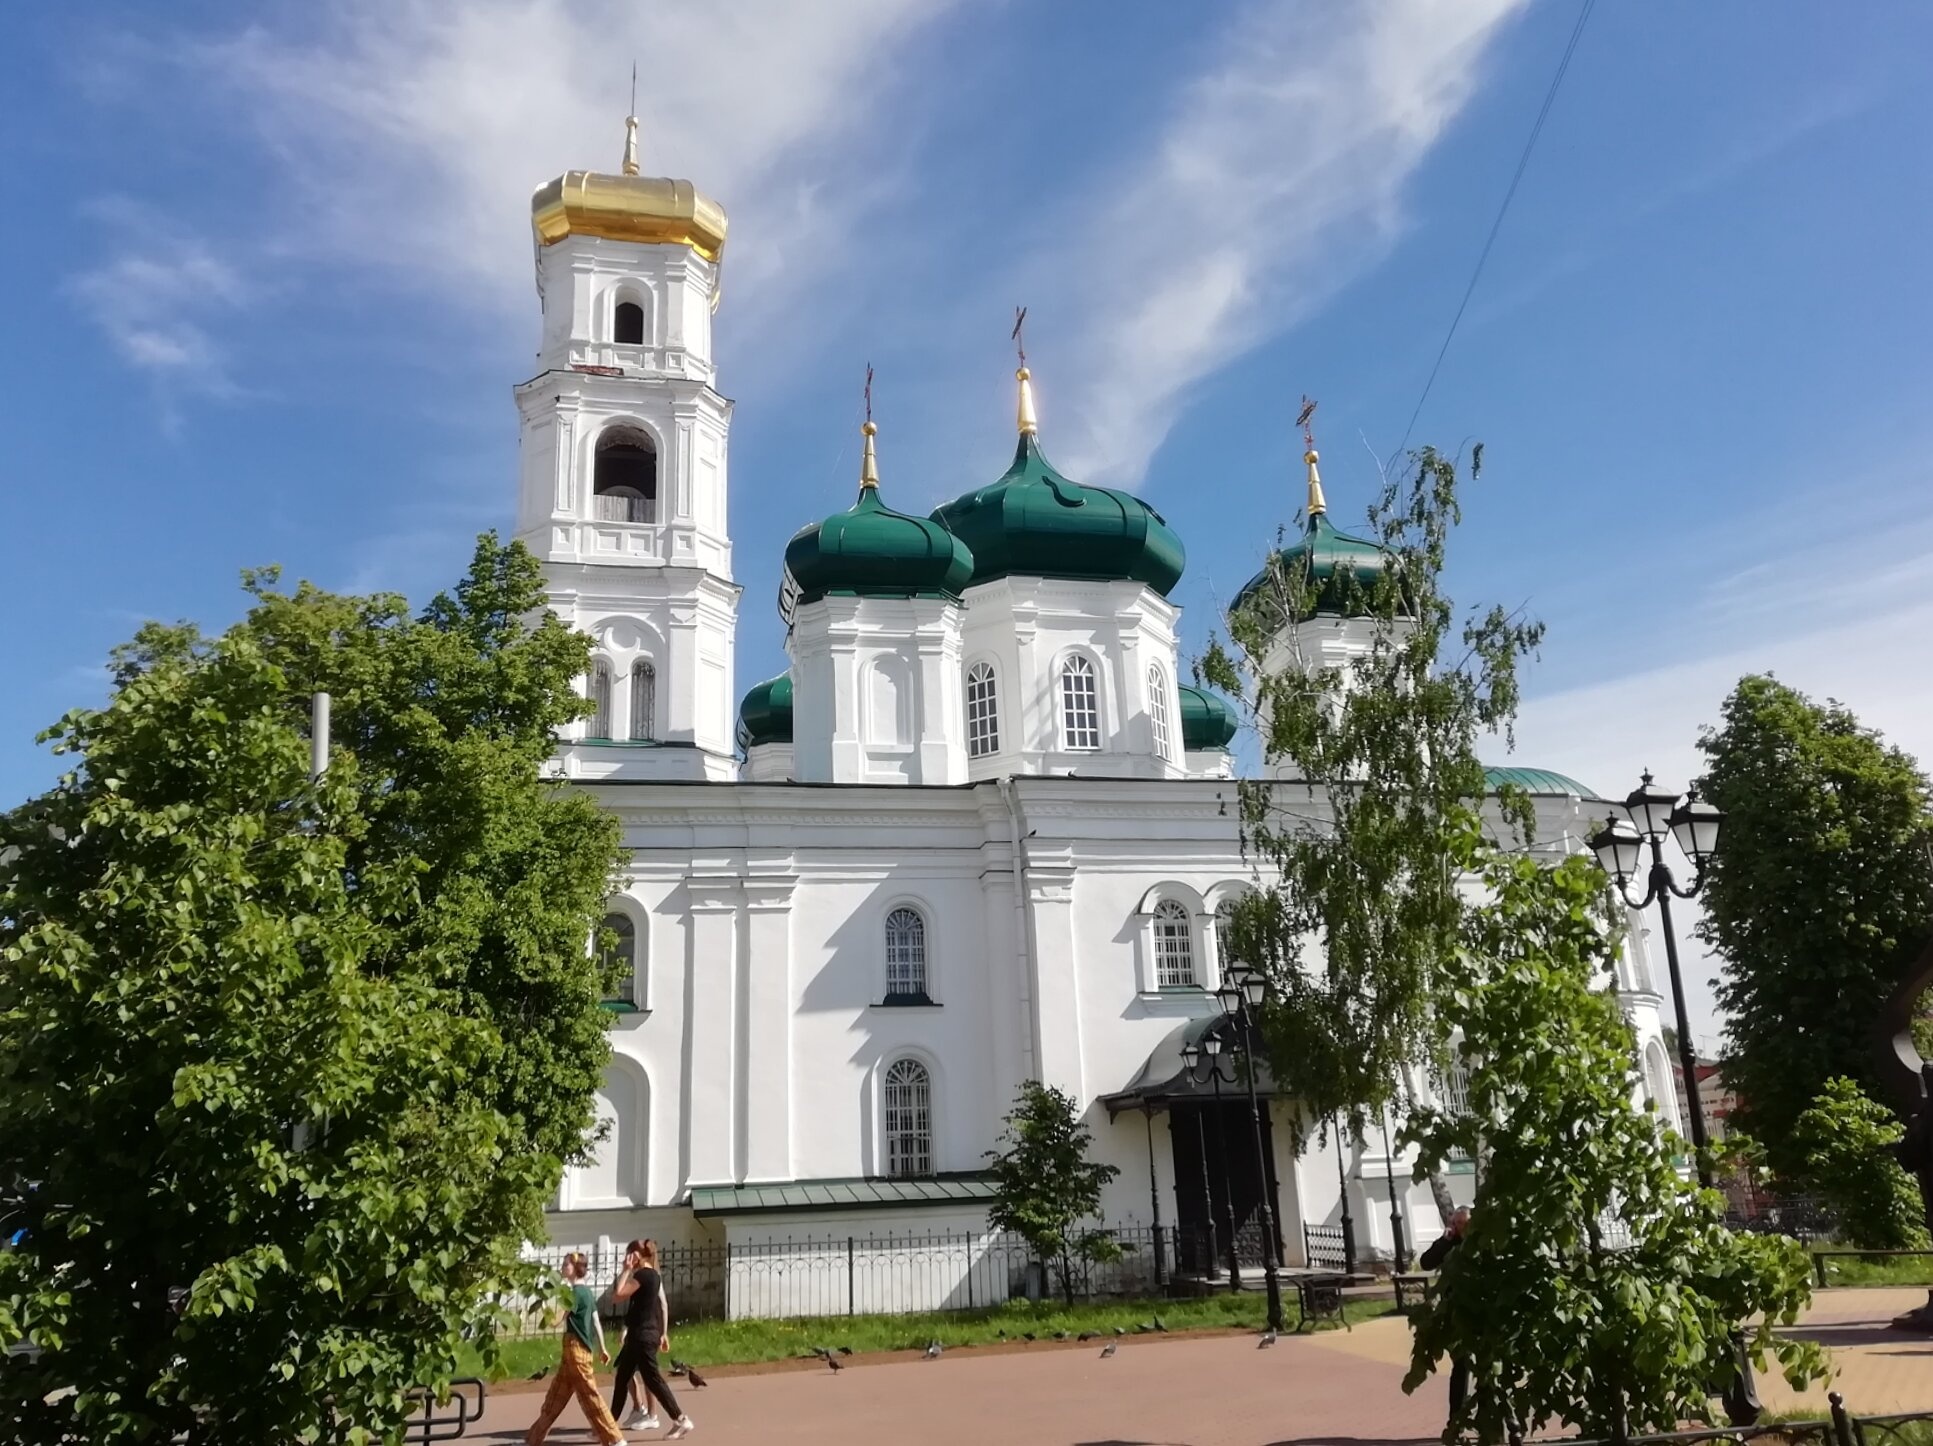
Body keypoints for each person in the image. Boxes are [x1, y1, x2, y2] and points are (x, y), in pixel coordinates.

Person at [526, 1252, 628, 1446]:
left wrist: (542, 1307)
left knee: (590, 1396)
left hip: (575, 1351)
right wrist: (602, 1348)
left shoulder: (574, 1294)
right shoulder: (587, 1293)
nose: (563, 1267)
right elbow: (596, 1322)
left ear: (576, 1269)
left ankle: (616, 1440)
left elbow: (557, 1321)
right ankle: (532, 1440)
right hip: (575, 1352)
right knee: (555, 1397)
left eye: (566, 1265)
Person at [612, 1238, 692, 1439]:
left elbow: (618, 1294)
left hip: (642, 1336)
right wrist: (662, 1332)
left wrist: (626, 1270)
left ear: (638, 1255)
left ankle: (681, 1419)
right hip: (643, 1334)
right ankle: (608, 1426)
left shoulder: (643, 1275)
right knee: (623, 1378)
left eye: (630, 1254)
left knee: (653, 1379)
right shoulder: (654, 1275)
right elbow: (651, 1306)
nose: (627, 1258)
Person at [1420, 1209, 1472, 1422]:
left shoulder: (1480, 1242)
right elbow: (1426, 1262)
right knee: (1461, 1363)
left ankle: (1490, 1418)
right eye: (1457, 1223)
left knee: (1487, 1368)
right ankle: (1455, 1418)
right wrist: (1443, 1240)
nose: (1461, 1227)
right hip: (1455, 1312)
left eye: (1464, 1223)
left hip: (1480, 1309)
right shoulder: (1448, 1244)